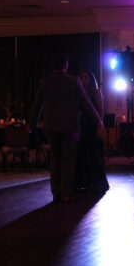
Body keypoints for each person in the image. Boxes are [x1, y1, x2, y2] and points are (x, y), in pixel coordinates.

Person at [30, 54, 103, 203]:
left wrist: (32, 124)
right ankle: (65, 192)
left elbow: (37, 105)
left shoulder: (44, 82)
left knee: (55, 160)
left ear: (53, 66)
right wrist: (98, 119)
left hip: (51, 126)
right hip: (70, 127)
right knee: (68, 161)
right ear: (66, 65)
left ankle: (55, 192)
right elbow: (86, 104)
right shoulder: (73, 81)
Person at [74, 70, 109, 194]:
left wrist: (99, 127)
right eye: (81, 77)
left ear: (90, 79)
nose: (83, 79)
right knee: (81, 154)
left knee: (94, 155)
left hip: (93, 124)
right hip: (82, 125)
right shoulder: (78, 92)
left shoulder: (96, 92)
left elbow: (100, 110)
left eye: (86, 77)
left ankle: (98, 183)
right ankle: (82, 182)